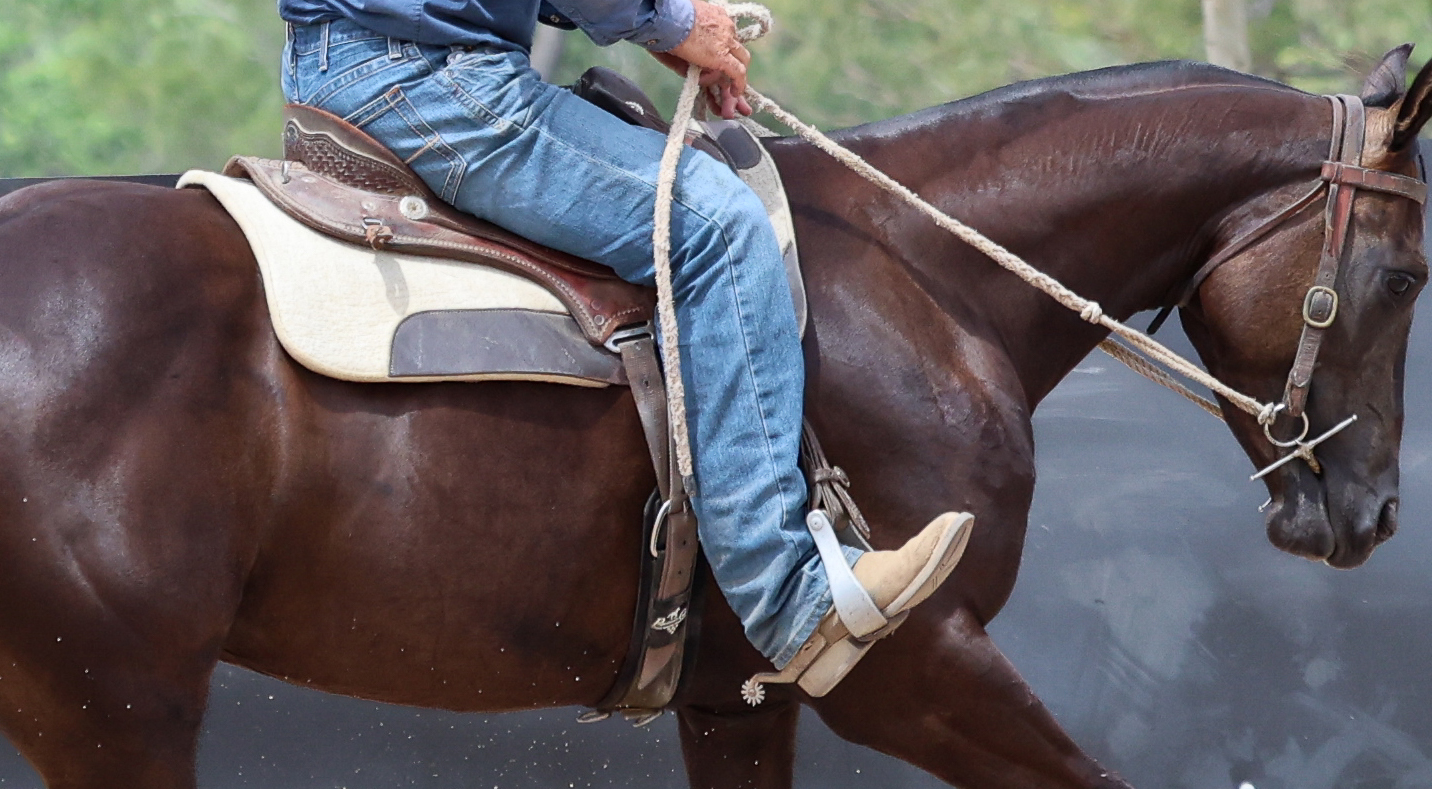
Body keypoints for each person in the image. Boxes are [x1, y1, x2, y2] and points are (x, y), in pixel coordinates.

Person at [274, 0, 974, 695]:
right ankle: (793, 595)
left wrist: (654, 26)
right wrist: (673, 21)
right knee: (718, 226)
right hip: (430, 77)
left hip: (345, 60)